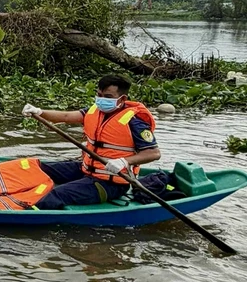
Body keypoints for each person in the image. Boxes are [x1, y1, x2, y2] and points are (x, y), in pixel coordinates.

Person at [22, 74, 160, 209]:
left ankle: (26, 215)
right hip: (86, 170)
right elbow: (65, 116)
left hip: (111, 183)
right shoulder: (95, 110)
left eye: (108, 97)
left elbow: (153, 153)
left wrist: (124, 161)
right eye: (99, 95)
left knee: (57, 194)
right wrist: (39, 112)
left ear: (122, 98)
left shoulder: (135, 122)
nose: (101, 99)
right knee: (39, 168)